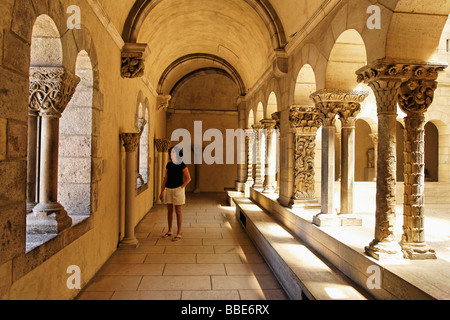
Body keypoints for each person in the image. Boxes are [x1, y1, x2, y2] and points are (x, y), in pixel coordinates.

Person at [159, 146, 191, 241]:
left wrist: (181, 187)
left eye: (173, 152)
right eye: (170, 152)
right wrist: (162, 191)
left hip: (178, 190)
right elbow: (165, 178)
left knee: (178, 212)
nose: (171, 154)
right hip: (168, 189)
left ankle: (179, 232)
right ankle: (169, 230)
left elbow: (188, 178)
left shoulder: (182, 164)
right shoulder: (168, 165)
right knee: (169, 211)